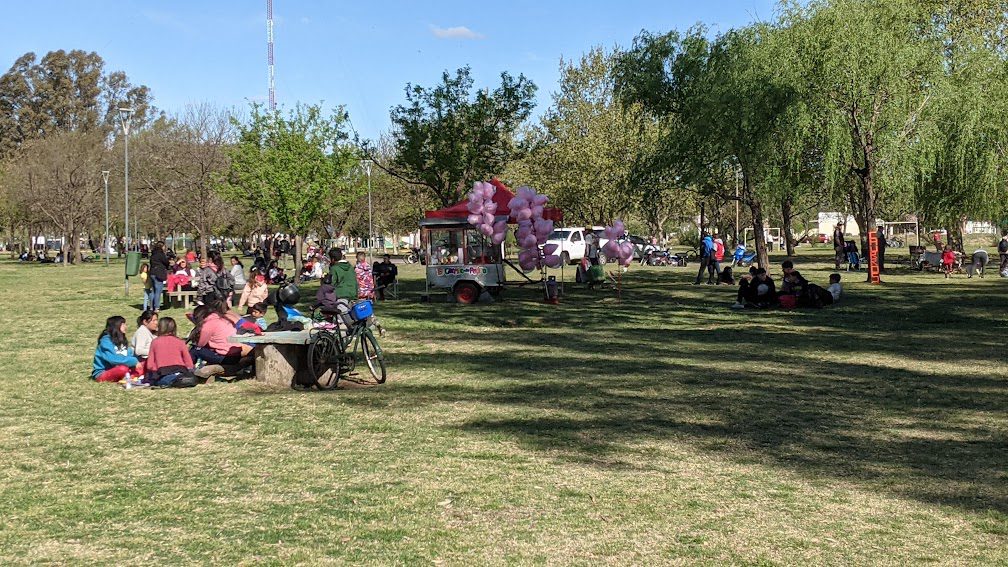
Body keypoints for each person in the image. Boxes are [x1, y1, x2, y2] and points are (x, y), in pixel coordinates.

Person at [192, 298, 252, 365]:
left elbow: (201, 344)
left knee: (195, 350)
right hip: (237, 351)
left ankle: (187, 370)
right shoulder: (223, 319)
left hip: (226, 356)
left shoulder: (207, 325)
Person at [145, 317, 195, 387]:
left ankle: (174, 380)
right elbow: (189, 363)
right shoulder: (180, 342)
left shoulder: (155, 342)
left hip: (163, 373)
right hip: (180, 370)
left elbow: (150, 365)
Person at [92, 316, 143, 384]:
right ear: (116, 326)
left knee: (144, 364)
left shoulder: (121, 339)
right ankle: (130, 376)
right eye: (123, 324)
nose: (125, 327)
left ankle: (129, 377)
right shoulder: (105, 341)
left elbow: (129, 355)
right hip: (104, 372)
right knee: (122, 369)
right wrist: (134, 361)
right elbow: (114, 360)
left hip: (125, 368)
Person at [148, 241, 171, 313]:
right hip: (159, 273)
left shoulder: (153, 254)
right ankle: (157, 307)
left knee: (153, 291)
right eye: (164, 246)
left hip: (152, 273)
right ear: (161, 246)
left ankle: (151, 307)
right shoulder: (161, 254)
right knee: (158, 291)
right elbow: (166, 262)